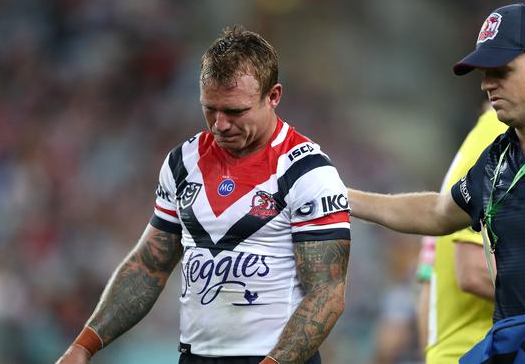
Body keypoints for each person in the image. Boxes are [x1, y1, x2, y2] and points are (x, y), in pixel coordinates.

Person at [56, 26, 351, 364]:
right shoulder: (183, 163)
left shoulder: (308, 172)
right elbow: (149, 265)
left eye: (236, 111)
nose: (220, 125)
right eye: (210, 108)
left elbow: (327, 293)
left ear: (274, 96)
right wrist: (84, 345)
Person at [349, 3, 525, 362]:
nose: (486, 84)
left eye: (501, 71)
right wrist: (342, 198)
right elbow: (437, 213)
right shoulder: (499, 154)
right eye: (484, 73)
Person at [415, 105, 506, 363]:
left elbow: (426, 285)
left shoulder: (475, 150)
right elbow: (474, 272)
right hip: (477, 350)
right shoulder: (500, 135)